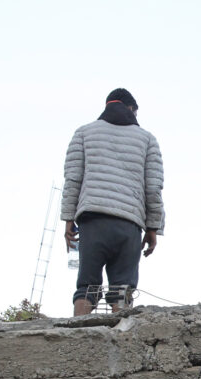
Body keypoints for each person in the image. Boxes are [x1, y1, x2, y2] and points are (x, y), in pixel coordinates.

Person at [61, 88, 164, 315]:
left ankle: (79, 335)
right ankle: (122, 342)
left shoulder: (83, 133)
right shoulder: (147, 139)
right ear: (131, 109)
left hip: (93, 221)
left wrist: (68, 218)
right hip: (129, 224)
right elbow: (154, 188)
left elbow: (72, 179)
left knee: (87, 286)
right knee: (122, 288)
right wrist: (153, 228)